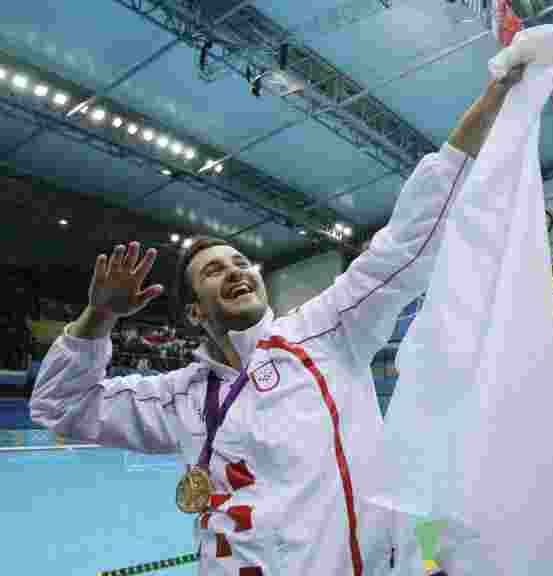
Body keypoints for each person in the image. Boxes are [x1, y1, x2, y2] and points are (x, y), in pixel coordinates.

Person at [29, 69, 524, 576]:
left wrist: (490, 100)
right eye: (214, 270)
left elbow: (405, 241)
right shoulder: (180, 397)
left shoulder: (328, 330)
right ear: (196, 311)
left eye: (241, 262)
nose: (236, 271)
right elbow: (59, 406)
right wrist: (100, 315)